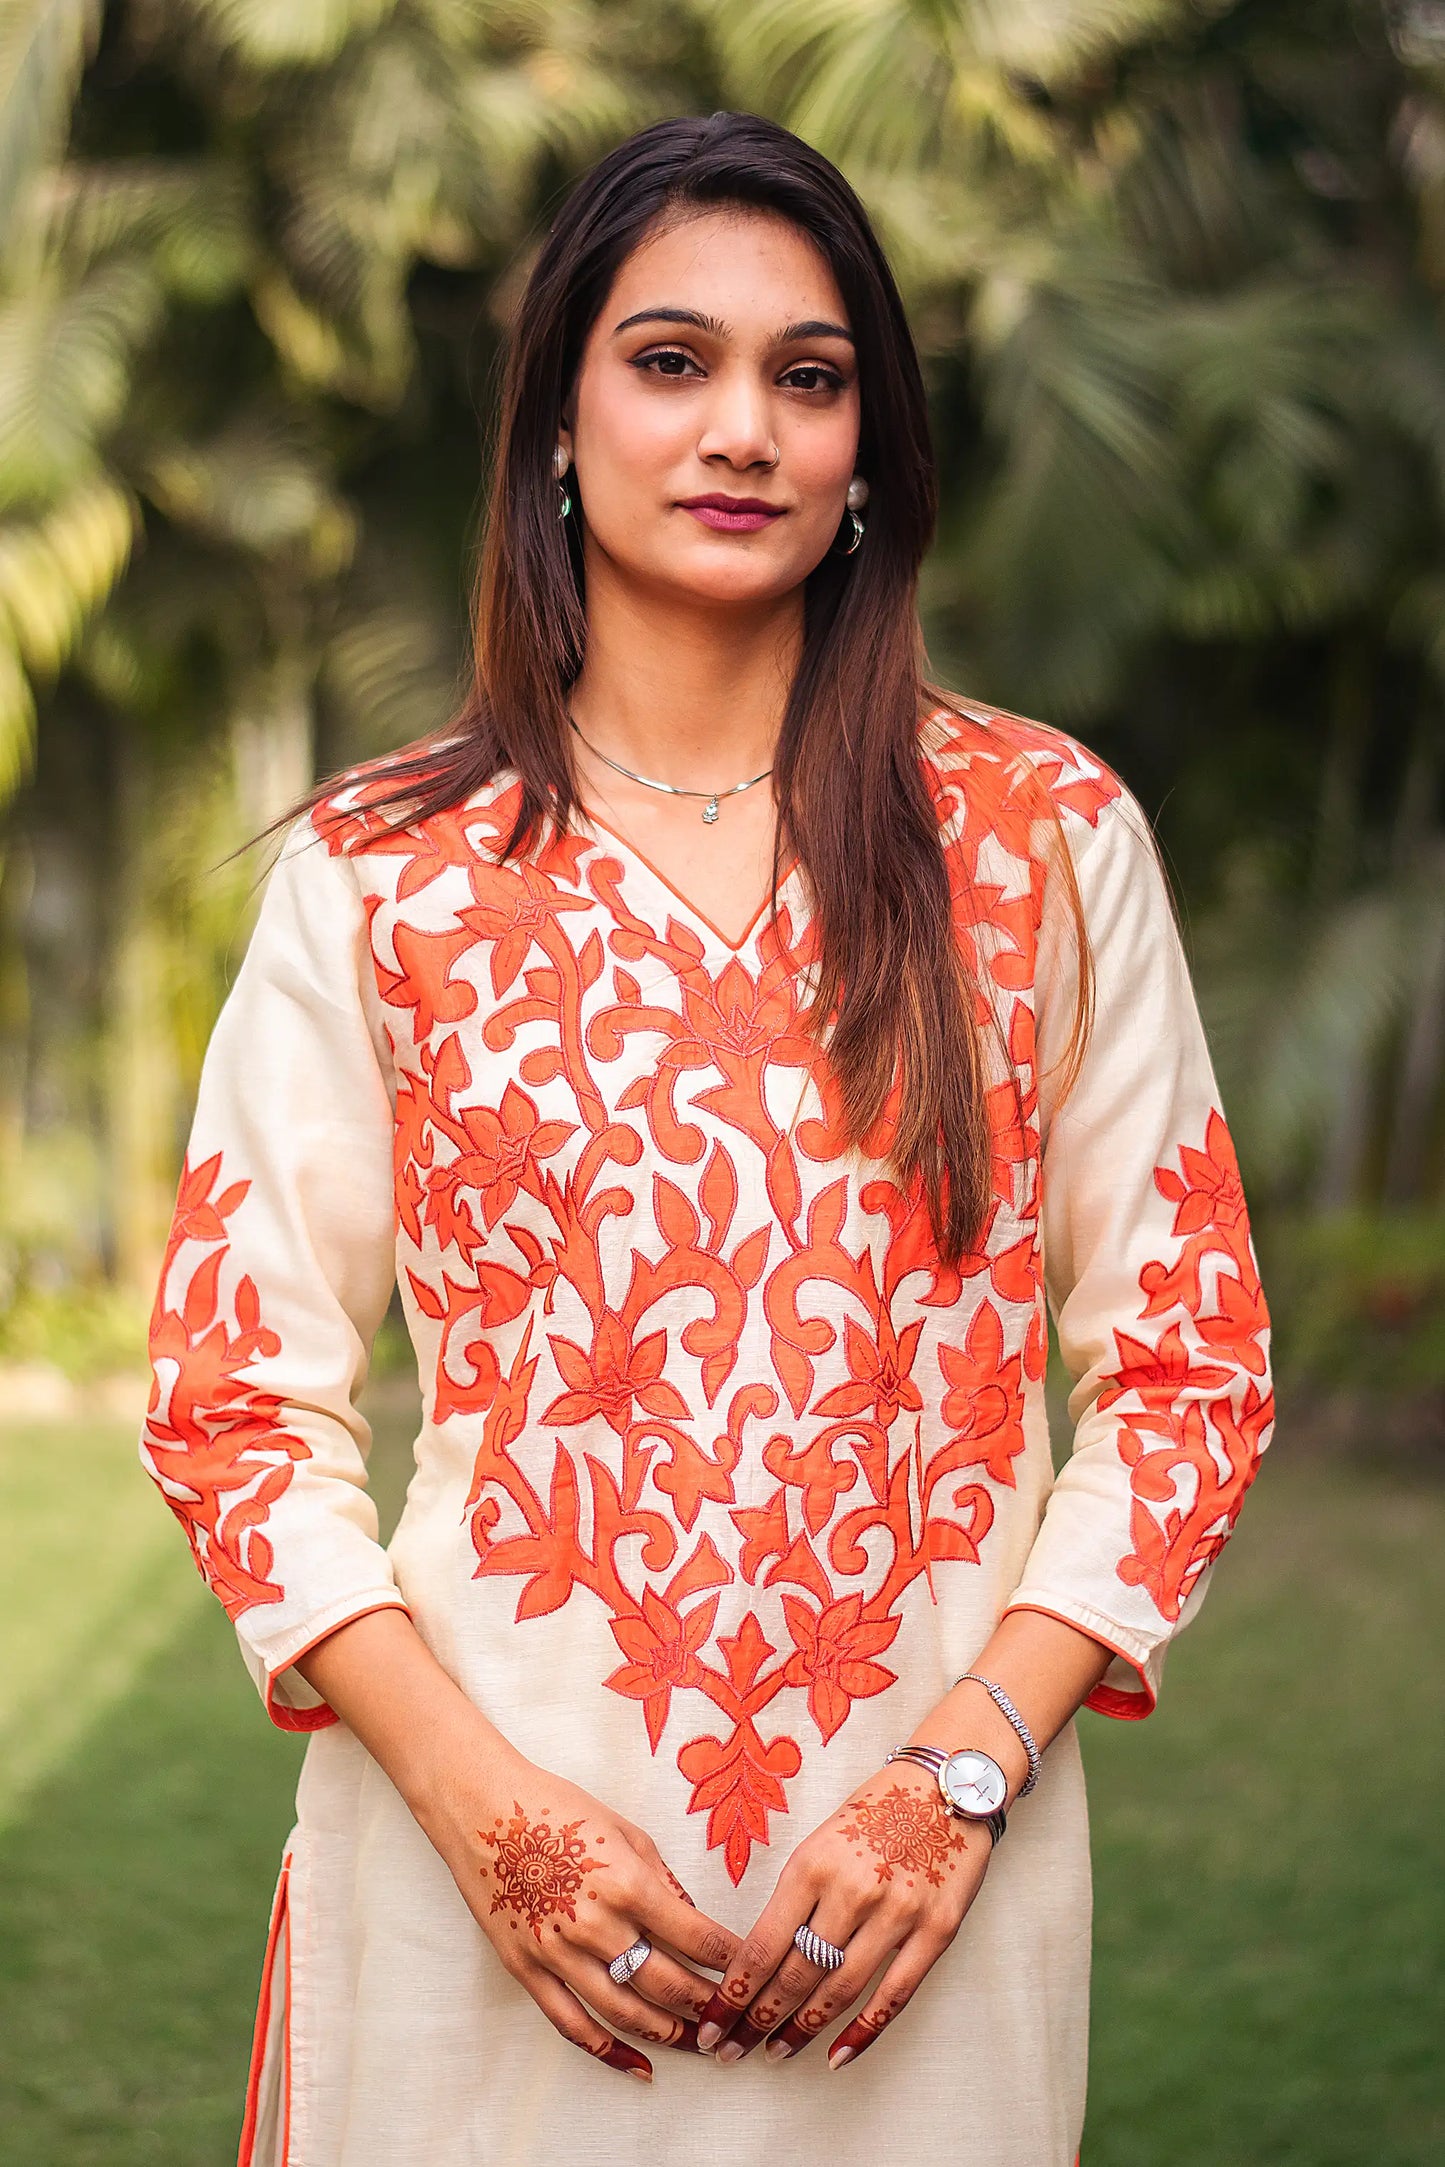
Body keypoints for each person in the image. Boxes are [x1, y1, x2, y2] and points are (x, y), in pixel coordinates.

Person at [139, 109, 1274, 2167]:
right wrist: (490, 1824)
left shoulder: (1040, 845)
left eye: (808, 376)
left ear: (870, 457)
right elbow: (233, 1400)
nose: (742, 425)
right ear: (559, 426)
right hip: (473, 1917)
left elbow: (1191, 1371)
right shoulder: (381, 876)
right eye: (672, 361)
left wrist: (963, 1774)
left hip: (926, 1918)